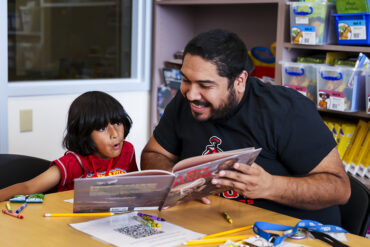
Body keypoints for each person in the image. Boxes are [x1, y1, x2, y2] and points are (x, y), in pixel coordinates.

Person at [141, 29, 351, 225]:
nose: (191, 94)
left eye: (205, 85)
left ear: (240, 80)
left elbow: (339, 188)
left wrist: (270, 186)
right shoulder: (185, 100)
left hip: (291, 232)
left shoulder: (286, 111)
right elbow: (153, 153)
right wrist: (173, 181)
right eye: (186, 80)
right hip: (216, 223)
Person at [0, 91, 138, 201]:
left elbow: (136, 187)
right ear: (84, 132)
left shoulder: (127, 151)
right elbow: (29, 187)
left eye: (117, 123)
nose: (115, 134)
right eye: (102, 128)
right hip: (72, 225)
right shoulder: (74, 162)